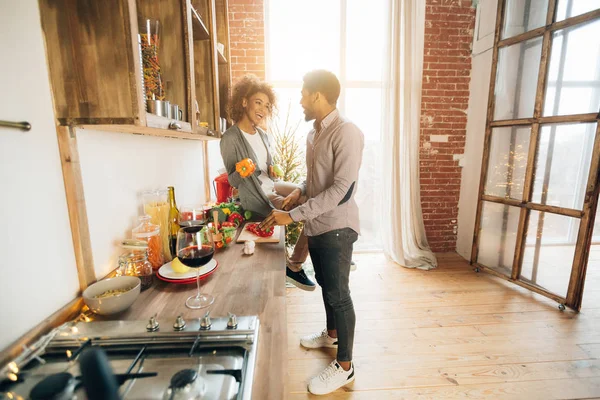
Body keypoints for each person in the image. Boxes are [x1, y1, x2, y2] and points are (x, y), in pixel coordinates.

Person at [261, 70, 364, 395]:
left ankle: (345, 367)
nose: (301, 100)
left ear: (319, 95)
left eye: (304, 94)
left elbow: (340, 191)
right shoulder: (313, 134)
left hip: (338, 228)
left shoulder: (347, 133)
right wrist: (299, 191)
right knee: (326, 286)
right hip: (318, 225)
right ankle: (332, 334)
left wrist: (290, 216)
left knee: (339, 294)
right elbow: (316, 179)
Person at [219, 75, 316, 291]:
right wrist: (243, 170)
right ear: (244, 102)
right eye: (258, 102)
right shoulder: (230, 138)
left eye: (267, 104)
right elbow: (233, 181)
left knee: (315, 200)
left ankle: (299, 261)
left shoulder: (263, 134)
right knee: (311, 208)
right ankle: (295, 265)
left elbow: (269, 172)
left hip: (272, 185)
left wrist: (273, 170)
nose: (263, 108)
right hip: (256, 196)